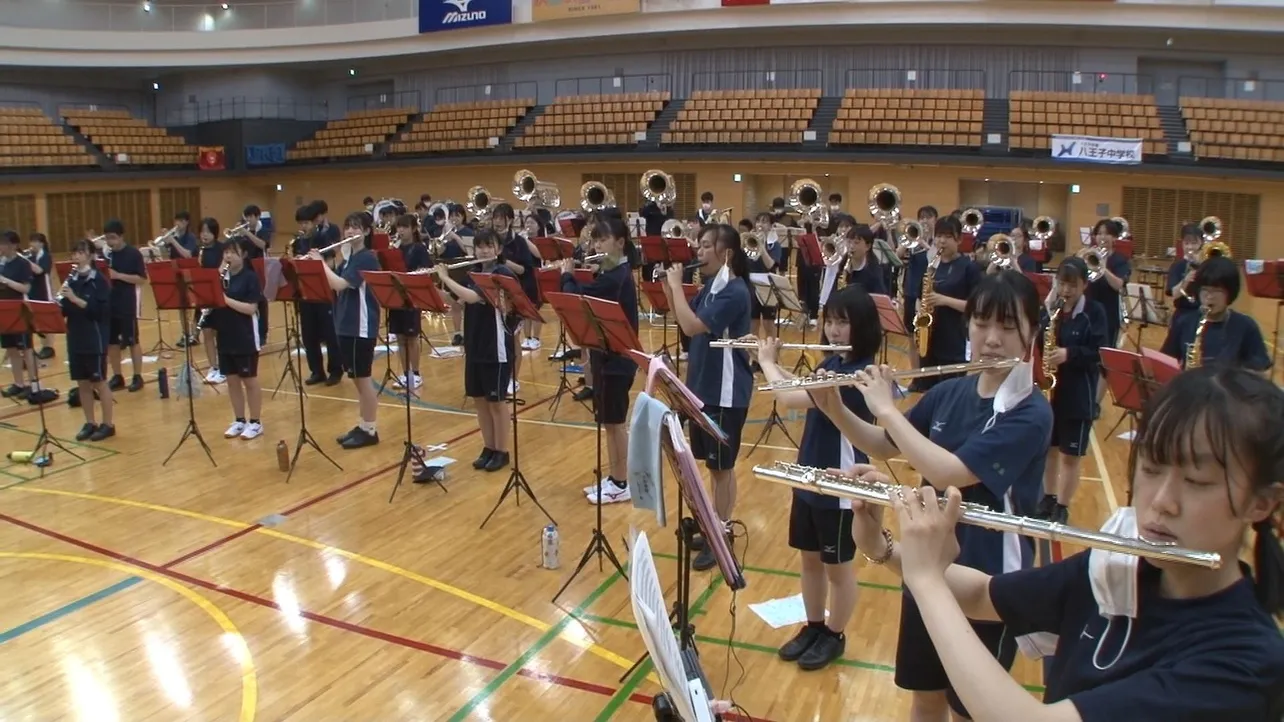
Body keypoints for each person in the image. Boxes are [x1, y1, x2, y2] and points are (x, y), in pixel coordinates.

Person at [842, 365, 1284, 722]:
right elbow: (983, 596)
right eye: (1150, 469)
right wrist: (886, 550)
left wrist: (926, 581)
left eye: (1196, 481)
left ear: (1261, 503)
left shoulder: (1245, 662)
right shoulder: (1121, 568)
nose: (1162, 502)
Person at [810, 270, 1053, 722]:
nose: (993, 339)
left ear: (1031, 334)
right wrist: (837, 408)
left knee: (968, 711)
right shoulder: (951, 391)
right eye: (982, 324)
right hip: (928, 566)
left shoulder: (1031, 412)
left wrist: (885, 405)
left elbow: (948, 473)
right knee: (925, 698)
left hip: (989, 580)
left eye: (1007, 326)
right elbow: (886, 444)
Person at [758, 285, 883, 671]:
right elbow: (797, 389)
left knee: (838, 569)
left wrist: (765, 361)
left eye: (843, 322)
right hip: (809, 477)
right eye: (830, 321)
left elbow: (791, 398)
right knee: (809, 560)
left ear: (861, 326)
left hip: (840, 483)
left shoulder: (858, 373)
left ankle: (834, 633)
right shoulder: (830, 364)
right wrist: (772, 360)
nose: (834, 330)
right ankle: (813, 626)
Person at [663, 223, 753, 572]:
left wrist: (675, 286)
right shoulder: (712, 287)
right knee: (711, 465)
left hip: (726, 393)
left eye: (705, 246)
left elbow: (692, 326)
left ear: (725, 253)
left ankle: (722, 534)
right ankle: (714, 526)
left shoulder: (734, 291)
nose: (697, 252)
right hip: (702, 387)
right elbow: (685, 321)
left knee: (721, 468)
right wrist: (672, 293)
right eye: (698, 246)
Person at [560, 215, 638, 505]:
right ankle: (616, 477)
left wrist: (567, 274)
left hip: (617, 360)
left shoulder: (617, 277)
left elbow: (576, 297)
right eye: (595, 239)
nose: (596, 244)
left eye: (602, 239)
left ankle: (621, 482)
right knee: (609, 422)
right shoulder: (609, 272)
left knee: (615, 423)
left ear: (620, 243)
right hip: (606, 357)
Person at [434, 230, 519, 473]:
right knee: (480, 401)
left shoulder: (500, 274)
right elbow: (457, 303)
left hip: (496, 347)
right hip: (475, 346)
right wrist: (435, 286)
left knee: (496, 402)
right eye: (480, 246)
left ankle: (502, 451)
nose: (483, 250)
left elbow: (472, 298)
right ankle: (489, 447)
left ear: (499, 249)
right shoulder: (475, 274)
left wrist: (446, 278)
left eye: (489, 246)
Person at [1036, 257, 1108, 524]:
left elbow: (1101, 352)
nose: (1065, 291)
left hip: (1079, 394)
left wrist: (1069, 354)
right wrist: (1045, 316)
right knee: (1050, 451)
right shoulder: (1052, 309)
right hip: (1051, 392)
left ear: (1084, 285)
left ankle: (1063, 505)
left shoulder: (1095, 313)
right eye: (1062, 284)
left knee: (1070, 455)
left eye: (1072, 285)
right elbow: (1040, 343)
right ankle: (1048, 497)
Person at [314, 212, 381, 449]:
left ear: (366, 231)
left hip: (360, 327)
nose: (350, 232)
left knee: (363, 381)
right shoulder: (351, 257)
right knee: (356, 380)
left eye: (356, 228)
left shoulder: (367, 258)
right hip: (346, 325)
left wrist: (320, 263)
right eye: (348, 228)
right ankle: (363, 425)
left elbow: (341, 284)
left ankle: (370, 430)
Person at [1161, 256, 1271, 373]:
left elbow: (1260, 372)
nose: (1209, 296)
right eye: (1205, 290)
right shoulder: (1184, 322)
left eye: (1217, 291)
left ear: (1230, 293)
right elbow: (1165, 362)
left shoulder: (1246, 326)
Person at [57, 239, 114, 441]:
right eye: (75, 253)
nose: (77, 256)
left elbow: (99, 312)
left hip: (94, 338)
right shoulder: (71, 280)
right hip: (75, 336)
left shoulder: (99, 281)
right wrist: (59, 304)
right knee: (82, 383)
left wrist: (74, 299)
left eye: (81, 252)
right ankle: (90, 422)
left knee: (99, 382)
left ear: (90, 255)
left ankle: (108, 424)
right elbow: (65, 309)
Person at [917, 216, 982, 391]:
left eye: (948, 236)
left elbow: (978, 307)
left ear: (959, 239)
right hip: (930, 340)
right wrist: (919, 314)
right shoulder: (932, 266)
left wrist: (944, 300)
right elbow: (920, 296)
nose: (942, 241)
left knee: (951, 391)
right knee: (929, 392)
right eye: (938, 236)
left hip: (955, 341)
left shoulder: (969, 268)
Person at [214, 239, 265, 440]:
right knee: (232, 380)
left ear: (243, 255)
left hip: (245, 335)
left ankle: (255, 422)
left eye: (232, 252)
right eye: (225, 253)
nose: (228, 256)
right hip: (225, 334)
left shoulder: (250, 278)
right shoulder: (221, 278)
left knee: (249, 380)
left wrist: (225, 300)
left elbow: (251, 308)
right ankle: (239, 419)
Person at [1082, 218, 1131, 410]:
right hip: (1088, 310)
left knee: (1104, 360)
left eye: (1107, 233)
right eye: (1099, 233)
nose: (1102, 237)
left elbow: (1119, 285)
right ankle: (1083, 396)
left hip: (1109, 313)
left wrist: (1103, 267)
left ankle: (1095, 404)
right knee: (1087, 354)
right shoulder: (1088, 255)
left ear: (1114, 237)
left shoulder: (1119, 260)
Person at [0, 230, 54, 405]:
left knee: (26, 349)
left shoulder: (22, 263)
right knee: (12, 349)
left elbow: (26, 289)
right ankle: (18, 383)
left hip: (20, 310)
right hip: (4, 310)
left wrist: (5, 281)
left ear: (13, 245)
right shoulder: (1, 263)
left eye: (3, 243)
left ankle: (33, 383)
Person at [295, 202, 343, 386]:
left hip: (324, 291)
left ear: (314, 222)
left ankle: (336, 370)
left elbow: (331, 264)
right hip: (306, 291)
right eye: (300, 223)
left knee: (330, 333)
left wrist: (314, 263)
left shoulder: (322, 238)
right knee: (309, 334)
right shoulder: (298, 241)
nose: (303, 227)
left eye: (306, 223)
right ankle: (316, 370)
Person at [100, 219, 147, 393]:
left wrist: (118, 275)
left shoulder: (133, 254)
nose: (110, 242)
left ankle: (137, 375)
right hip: (109, 303)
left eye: (113, 238)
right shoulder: (106, 255)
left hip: (127, 302)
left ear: (121, 237)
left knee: (132, 340)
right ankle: (117, 376)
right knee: (112, 342)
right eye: (107, 239)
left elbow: (141, 279)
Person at [388, 214, 431, 390]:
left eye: (404, 227)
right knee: (400, 337)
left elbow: (427, 269)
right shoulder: (394, 248)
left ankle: (416, 373)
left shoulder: (419, 248)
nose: (401, 231)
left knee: (412, 337)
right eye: (399, 227)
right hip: (396, 296)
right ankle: (405, 373)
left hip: (412, 297)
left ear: (413, 229)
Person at [897, 205, 936, 372]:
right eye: (922, 217)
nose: (925, 220)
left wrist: (924, 244)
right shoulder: (912, 239)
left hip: (929, 295)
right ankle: (915, 374)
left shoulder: (936, 242)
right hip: (911, 292)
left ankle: (928, 372)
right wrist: (909, 241)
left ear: (935, 220)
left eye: (928, 217)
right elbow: (897, 255)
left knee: (928, 337)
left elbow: (935, 258)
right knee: (912, 337)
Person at [236, 204, 273, 348]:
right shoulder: (244, 231)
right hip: (245, 269)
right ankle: (248, 332)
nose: (249, 219)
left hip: (260, 269)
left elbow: (263, 245)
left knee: (261, 303)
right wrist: (239, 235)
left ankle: (262, 334)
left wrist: (246, 233)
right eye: (247, 217)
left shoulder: (263, 230)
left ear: (257, 217)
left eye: (251, 216)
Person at [193, 218, 225, 383]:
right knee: (206, 332)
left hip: (219, 293)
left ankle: (224, 367)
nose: (204, 235)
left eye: (208, 231)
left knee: (220, 333)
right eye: (202, 231)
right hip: (203, 295)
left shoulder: (222, 249)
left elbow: (223, 270)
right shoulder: (198, 250)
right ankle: (213, 367)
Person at [747, 212, 783, 343]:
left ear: (770, 226)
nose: (760, 225)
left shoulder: (775, 245)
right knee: (753, 324)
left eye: (764, 221)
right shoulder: (749, 242)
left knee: (768, 324)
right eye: (758, 221)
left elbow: (770, 265)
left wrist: (761, 246)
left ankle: (771, 353)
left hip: (768, 285)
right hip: (751, 286)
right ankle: (753, 357)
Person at [1165, 222, 1204, 331]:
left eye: (1194, 243)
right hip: (1182, 314)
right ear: (1182, 244)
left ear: (1201, 243)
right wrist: (1186, 280)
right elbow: (1174, 294)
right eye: (1186, 243)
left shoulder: (1207, 265)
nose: (1190, 247)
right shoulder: (1177, 266)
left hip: (1203, 315)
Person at [24, 232, 55, 359]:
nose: (31, 244)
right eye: (31, 241)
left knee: (45, 320)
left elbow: (39, 270)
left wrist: (24, 259)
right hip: (32, 291)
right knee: (32, 320)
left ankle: (49, 347)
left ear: (41, 243)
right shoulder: (30, 256)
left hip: (44, 291)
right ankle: (33, 348)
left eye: (34, 241)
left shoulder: (46, 256)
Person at [843, 224, 887, 295]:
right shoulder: (843, 265)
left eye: (856, 243)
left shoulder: (874, 271)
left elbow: (879, 296)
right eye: (849, 242)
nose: (851, 246)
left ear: (868, 246)